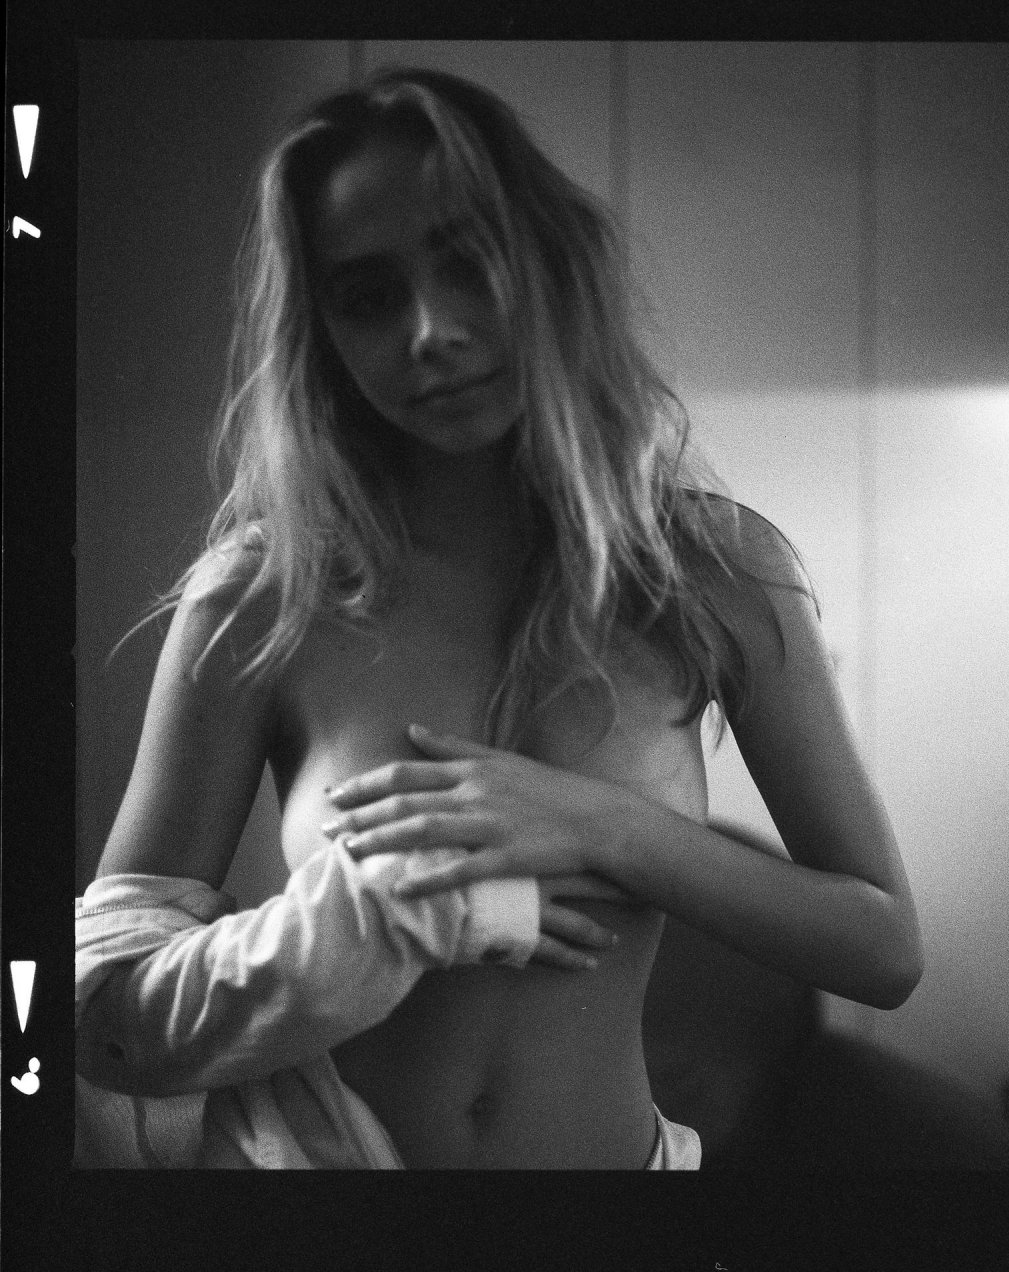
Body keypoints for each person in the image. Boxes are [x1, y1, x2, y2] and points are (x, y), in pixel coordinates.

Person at [74, 67, 923, 1170]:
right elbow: (106, 999)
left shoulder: (712, 572)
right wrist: (385, 908)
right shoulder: (264, 592)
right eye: (368, 296)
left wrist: (600, 826)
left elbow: (883, 948)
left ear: (549, 266)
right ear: (321, 334)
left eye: (469, 262)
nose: (430, 331)